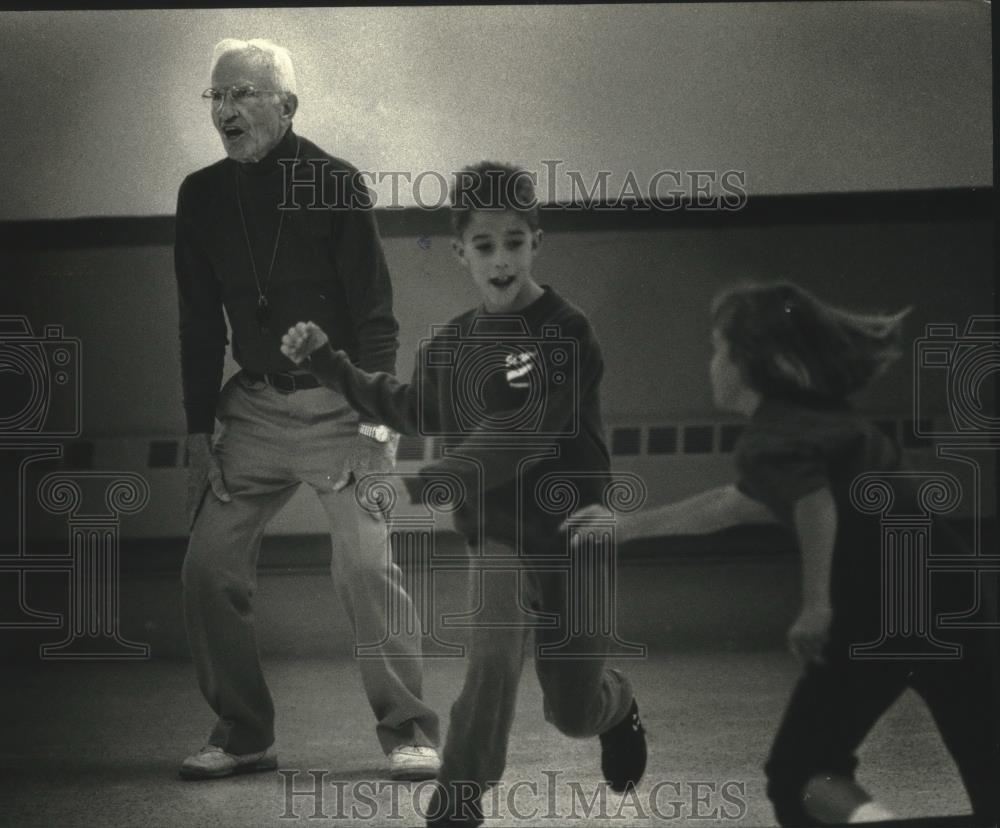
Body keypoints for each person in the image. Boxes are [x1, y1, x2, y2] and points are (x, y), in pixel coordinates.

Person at [280, 162, 647, 826]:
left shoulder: (566, 330)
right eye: (484, 246)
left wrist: (430, 480)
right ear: (461, 253)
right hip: (499, 537)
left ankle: (615, 705)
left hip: (572, 538)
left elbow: (525, 434)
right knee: (491, 667)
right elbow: (412, 406)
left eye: (514, 241)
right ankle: (457, 805)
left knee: (571, 711)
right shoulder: (450, 345)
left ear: (538, 241)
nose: (500, 259)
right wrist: (327, 363)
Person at [569, 282, 1000, 826]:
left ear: (753, 362)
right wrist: (626, 527)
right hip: (952, 596)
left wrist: (816, 604)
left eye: (718, 348)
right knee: (990, 773)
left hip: (874, 612)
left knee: (797, 776)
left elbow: (813, 504)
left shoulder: (770, 436)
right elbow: (733, 505)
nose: (713, 363)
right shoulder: (824, 417)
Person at [174, 38, 440, 781]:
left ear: (286, 106)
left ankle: (410, 730)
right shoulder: (200, 195)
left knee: (364, 564)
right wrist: (199, 433)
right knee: (206, 569)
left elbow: (377, 317)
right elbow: (198, 323)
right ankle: (243, 733)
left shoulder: (335, 184)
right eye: (216, 98)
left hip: (340, 408)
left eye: (243, 96)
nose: (226, 111)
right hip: (252, 412)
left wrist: (376, 424)